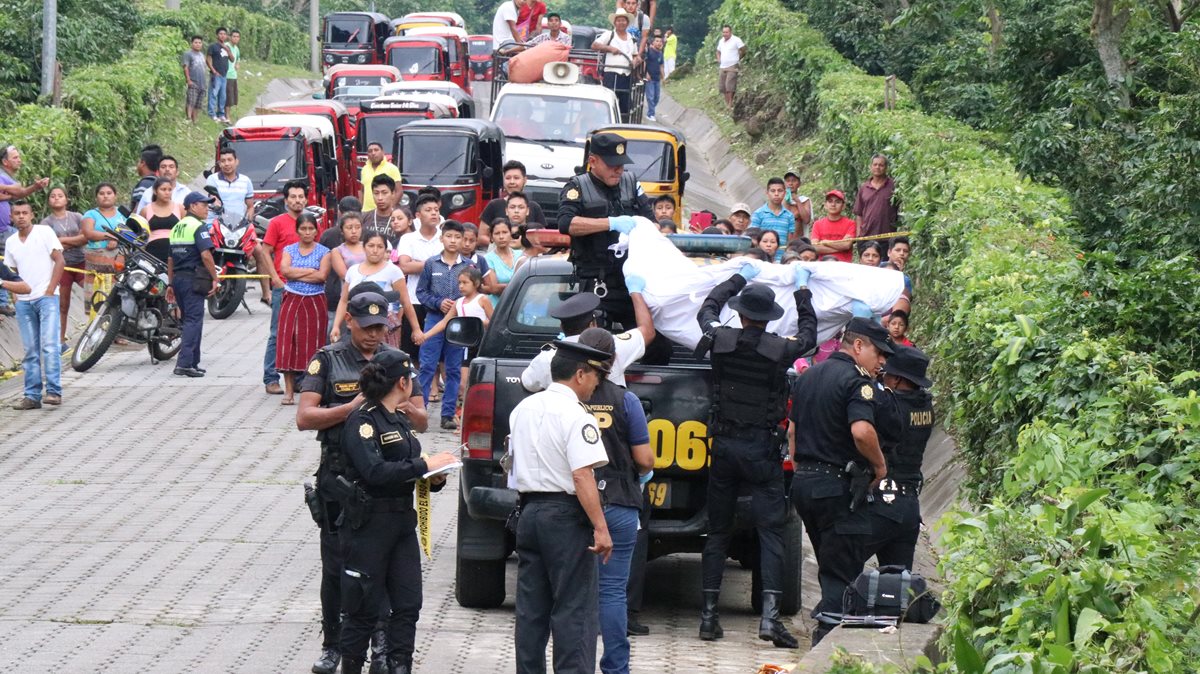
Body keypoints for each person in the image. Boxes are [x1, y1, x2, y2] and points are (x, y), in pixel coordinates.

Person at [694, 261, 817, 649]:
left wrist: (737, 279)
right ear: (766, 320)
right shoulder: (780, 350)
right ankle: (769, 619)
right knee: (771, 532)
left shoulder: (720, 339)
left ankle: (709, 617)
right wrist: (802, 291)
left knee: (716, 532)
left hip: (724, 448)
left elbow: (706, 310)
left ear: (742, 314)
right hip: (762, 450)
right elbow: (810, 336)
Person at [298, 289, 421, 674]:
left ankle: (383, 646)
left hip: (383, 484)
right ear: (348, 320)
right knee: (338, 569)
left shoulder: (394, 363)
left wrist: (397, 406)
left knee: (385, 571)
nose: (372, 334)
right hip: (340, 479)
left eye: (379, 327)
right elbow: (304, 417)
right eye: (366, 326)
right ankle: (334, 644)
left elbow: (421, 418)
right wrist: (352, 410)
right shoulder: (328, 359)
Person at [335, 349, 458, 674]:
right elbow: (374, 472)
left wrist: (433, 477)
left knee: (407, 605)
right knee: (362, 607)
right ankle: (351, 666)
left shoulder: (399, 420)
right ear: (402, 382)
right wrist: (423, 465)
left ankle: (400, 665)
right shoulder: (362, 421)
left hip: (402, 525)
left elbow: (407, 469)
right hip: (369, 525)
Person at [509, 339, 613, 674]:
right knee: (574, 611)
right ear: (580, 375)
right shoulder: (576, 415)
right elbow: (582, 475)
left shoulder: (522, 409)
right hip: (566, 517)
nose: (597, 383)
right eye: (596, 375)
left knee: (530, 610)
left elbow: (509, 462)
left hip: (529, 512)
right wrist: (600, 526)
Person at [789, 316, 894, 645]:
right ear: (858, 346)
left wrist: (803, 465)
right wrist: (880, 467)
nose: (882, 362)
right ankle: (828, 645)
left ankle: (828, 634)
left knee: (829, 562)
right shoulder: (857, 381)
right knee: (843, 570)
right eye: (879, 353)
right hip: (838, 487)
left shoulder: (809, 376)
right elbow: (862, 431)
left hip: (805, 484)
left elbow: (792, 431)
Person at [559, 327, 653, 672]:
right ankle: (616, 667)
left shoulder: (568, 398)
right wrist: (643, 473)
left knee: (573, 593)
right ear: (613, 360)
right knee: (613, 591)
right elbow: (644, 459)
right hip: (619, 501)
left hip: (574, 503)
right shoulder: (626, 400)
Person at [557, 132, 652, 329]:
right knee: (596, 343)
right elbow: (567, 224)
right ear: (593, 161)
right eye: (612, 165)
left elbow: (653, 223)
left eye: (622, 164)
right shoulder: (577, 187)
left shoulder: (631, 183)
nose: (618, 170)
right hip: (597, 282)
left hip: (631, 281)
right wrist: (610, 223)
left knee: (656, 346)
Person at [866, 346, 933, 570]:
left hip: (882, 501)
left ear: (896, 380)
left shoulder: (890, 407)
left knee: (842, 567)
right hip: (910, 504)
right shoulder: (925, 406)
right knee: (898, 582)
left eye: (887, 375)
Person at [520, 287, 655, 392]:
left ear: (562, 326)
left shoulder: (546, 358)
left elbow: (528, 384)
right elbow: (647, 331)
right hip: (608, 423)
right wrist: (636, 292)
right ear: (592, 324)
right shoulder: (614, 346)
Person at [4, 199, 65, 409]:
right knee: (30, 350)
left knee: (49, 346)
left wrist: (50, 290)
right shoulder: (11, 242)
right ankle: (32, 395)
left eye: (24, 213)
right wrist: (16, 298)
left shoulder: (44, 232)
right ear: (11, 217)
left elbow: (60, 260)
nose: (21, 216)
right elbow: (12, 274)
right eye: (17, 213)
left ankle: (54, 391)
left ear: (32, 215)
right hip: (24, 302)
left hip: (46, 298)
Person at [416, 220, 471, 430]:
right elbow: (421, 292)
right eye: (449, 236)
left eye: (458, 237)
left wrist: (459, 303)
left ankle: (448, 414)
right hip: (434, 319)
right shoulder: (431, 264)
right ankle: (420, 411)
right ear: (442, 238)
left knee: (454, 369)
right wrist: (438, 303)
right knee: (427, 365)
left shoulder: (468, 266)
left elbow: (475, 292)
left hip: (459, 323)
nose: (453, 241)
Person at [332, 231, 422, 348]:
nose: (375, 250)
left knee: (385, 361)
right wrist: (336, 326)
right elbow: (344, 301)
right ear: (364, 247)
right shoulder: (353, 271)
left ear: (385, 249)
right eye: (371, 246)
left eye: (380, 247)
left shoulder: (393, 271)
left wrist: (416, 329)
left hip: (383, 324)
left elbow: (405, 302)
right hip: (358, 323)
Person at [277, 212, 332, 404]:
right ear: (297, 231)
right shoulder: (289, 249)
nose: (307, 232)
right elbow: (284, 270)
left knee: (313, 346)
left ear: (317, 231)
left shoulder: (324, 251)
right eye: (303, 229)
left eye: (311, 229)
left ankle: (312, 391)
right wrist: (310, 271)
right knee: (287, 343)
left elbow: (322, 276)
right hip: (291, 298)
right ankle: (289, 391)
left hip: (315, 301)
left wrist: (296, 273)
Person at [262, 180, 309, 395]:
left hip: (307, 287)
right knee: (277, 333)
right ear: (286, 199)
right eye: (293, 197)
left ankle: (299, 378)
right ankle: (271, 378)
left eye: (301, 196)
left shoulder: (310, 222)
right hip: (284, 286)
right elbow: (265, 251)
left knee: (300, 335)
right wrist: (275, 279)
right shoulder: (277, 223)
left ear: (306, 199)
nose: (297, 200)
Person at [167, 192, 221, 378]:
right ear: (191, 206)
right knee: (193, 321)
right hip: (193, 279)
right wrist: (215, 277)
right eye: (203, 204)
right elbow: (206, 255)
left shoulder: (177, 227)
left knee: (189, 321)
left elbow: (170, 258)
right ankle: (183, 364)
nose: (207, 208)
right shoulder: (198, 226)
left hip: (179, 279)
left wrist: (170, 283)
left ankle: (193, 363)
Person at [420, 266, 493, 404]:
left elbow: (494, 321)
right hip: (465, 345)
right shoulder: (458, 303)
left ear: (476, 283)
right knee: (462, 384)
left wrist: (480, 322)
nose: (461, 286)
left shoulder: (483, 299)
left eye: (465, 283)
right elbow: (444, 322)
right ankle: (462, 410)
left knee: (480, 380)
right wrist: (426, 335)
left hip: (481, 343)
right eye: (459, 282)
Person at [0, 145, 51, 315]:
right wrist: (12, 191)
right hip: (2, 231)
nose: (19, 160)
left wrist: (33, 188)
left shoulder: (6, 177)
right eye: (15, 157)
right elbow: (16, 190)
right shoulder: (1, 175)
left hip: (5, 229)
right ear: (5, 161)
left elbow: (19, 191)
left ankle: (25, 297)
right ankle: (8, 301)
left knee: (16, 259)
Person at [396, 195, 443, 356]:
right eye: (428, 210)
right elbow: (404, 266)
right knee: (413, 351)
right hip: (414, 300)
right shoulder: (408, 238)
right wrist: (435, 263)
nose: (434, 214)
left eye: (436, 210)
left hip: (439, 301)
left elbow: (448, 267)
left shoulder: (445, 237)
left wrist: (419, 263)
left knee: (436, 352)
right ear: (417, 215)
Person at [40, 187, 86, 345]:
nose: (56, 198)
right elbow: (49, 246)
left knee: (94, 295)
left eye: (60, 196)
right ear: (49, 201)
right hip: (62, 267)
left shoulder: (77, 216)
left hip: (82, 262)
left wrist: (62, 241)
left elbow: (85, 238)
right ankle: (60, 340)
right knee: (63, 305)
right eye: (52, 196)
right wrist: (74, 240)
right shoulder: (46, 223)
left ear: (66, 199)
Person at [80, 183, 126, 303]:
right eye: (101, 194)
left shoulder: (124, 215)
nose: (105, 196)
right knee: (93, 303)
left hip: (117, 267)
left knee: (114, 303)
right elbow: (89, 233)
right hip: (95, 267)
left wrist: (116, 240)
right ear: (96, 198)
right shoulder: (90, 214)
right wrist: (112, 237)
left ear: (115, 196)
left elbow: (131, 235)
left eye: (109, 193)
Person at [594, 9, 641, 119]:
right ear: (615, 23)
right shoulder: (609, 35)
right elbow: (594, 45)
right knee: (610, 101)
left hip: (626, 75)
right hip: (611, 74)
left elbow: (635, 55)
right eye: (618, 20)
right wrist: (609, 48)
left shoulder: (631, 38)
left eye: (623, 20)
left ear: (627, 22)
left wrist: (636, 60)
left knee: (625, 104)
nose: (621, 23)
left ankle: (623, 125)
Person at [480, 161, 549, 226]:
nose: (512, 182)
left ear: (524, 180)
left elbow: (542, 235)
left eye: (516, 178)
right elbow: (482, 235)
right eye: (508, 178)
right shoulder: (494, 205)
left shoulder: (534, 207)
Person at [328, 212, 366, 331]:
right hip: (350, 298)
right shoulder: (338, 251)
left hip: (373, 294)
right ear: (342, 230)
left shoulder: (369, 246)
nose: (354, 231)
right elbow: (345, 275)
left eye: (357, 227)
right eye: (349, 228)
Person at [853, 154, 899, 244]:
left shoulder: (893, 186)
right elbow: (859, 213)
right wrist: (859, 234)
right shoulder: (864, 187)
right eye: (875, 164)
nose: (878, 167)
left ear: (886, 168)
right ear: (871, 167)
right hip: (866, 237)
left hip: (887, 237)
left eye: (881, 165)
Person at [141, 177, 184, 262]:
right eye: (163, 189)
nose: (167, 193)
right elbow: (139, 233)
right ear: (155, 191)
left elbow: (187, 229)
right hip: (152, 252)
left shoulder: (180, 208)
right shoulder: (146, 210)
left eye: (170, 190)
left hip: (176, 251)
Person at [482, 219, 521, 306]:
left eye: (505, 232)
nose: (501, 237)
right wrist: (520, 286)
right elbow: (494, 288)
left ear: (511, 234)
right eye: (497, 233)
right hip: (497, 308)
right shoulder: (488, 259)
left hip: (519, 307)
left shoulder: (521, 255)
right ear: (491, 237)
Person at [751, 178, 795, 254]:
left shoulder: (789, 216)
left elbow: (789, 242)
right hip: (763, 258)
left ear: (784, 193)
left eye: (780, 191)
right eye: (773, 191)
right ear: (767, 193)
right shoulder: (758, 214)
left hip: (782, 259)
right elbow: (753, 238)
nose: (776, 194)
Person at [810, 190, 855, 263]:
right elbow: (815, 247)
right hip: (823, 265)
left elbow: (846, 245)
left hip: (844, 265)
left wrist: (825, 242)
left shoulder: (850, 223)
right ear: (825, 205)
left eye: (837, 202)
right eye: (830, 201)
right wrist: (840, 247)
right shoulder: (817, 224)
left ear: (843, 206)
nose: (833, 204)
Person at [360, 143, 402, 214]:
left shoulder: (392, 168)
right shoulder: (364, 169)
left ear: (383, 152)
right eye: (370, 151)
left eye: (376, 150)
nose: (373, 153)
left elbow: (399, 191)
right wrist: (360, 209)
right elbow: (362, 191)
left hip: (385, 212)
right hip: (366, 212)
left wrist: (391, 208)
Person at [715, 25, 745, 109]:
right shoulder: (721, 41)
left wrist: (739, 57)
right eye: (723, 32)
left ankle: (730, 104)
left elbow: (743, 49)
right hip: (723, 66)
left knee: (730, 86)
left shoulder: (736, 40)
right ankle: (727, 103)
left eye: (726, 32)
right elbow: (718, 51)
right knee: (722, 87)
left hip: (733, 65)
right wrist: (718, 59)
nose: (725, 34)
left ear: (730, 32)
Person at [207, 27, 232, 123]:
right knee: (213, 94)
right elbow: (208, 59)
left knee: (223, 96)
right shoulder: (213, 46)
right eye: (221, 34)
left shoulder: (227, 47)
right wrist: (213, 70)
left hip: (224, 75)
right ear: (217, 35)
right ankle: (211, 113)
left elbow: (232, 59)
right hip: (216, 74)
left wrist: (227, 50)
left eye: (224, 34)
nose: (223, 35)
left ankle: (221, 114)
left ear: (226, 36)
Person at [130, 144, 163, 213]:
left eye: (138, 161)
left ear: (143, 163)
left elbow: (138, 209)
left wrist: (129, 222)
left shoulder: (145, 184)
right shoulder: (159, 182)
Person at [182, 35, 206, 124]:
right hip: (193, 82)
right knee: (191, 101)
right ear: (192, 43)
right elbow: (185, 67)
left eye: (200, 43)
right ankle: (188, 118)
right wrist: (188, 80)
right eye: (196, 42)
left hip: (202, 83)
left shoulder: (202, 55)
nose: (198, 44)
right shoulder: (188, 54)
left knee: (198, 104)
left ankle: (194, 120)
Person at [783, 169, 812, 236]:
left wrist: (797, 201)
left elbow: (806, 220)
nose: (790, 183)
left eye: (794, 180)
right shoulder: (779, 200)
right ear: (784, 184)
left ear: (799, 184)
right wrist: (786, 200)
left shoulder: (804, 200)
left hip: (798, 241)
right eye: (788, 181)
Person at [644, 35, 665, 121]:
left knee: (656, 97)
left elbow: (661, 66)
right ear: (653, 42)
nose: (659, 43)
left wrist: (663, 77)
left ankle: (651, 111)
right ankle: (650, 114)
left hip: (657, 78)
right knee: (651, 97)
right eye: (657, 41)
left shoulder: (660, 53)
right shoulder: (649, 51)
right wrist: (646, 73)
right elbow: (644, 62)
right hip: (650, 78)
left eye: (660, 41)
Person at [225, 30, 240, 120]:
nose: (235, 38)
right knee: (228, 97)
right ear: (230, 37)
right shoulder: (226, 46)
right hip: (226, 75)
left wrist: (237, 64)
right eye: (234, 36)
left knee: (232, 97)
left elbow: (238, 59)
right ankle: (227, 116)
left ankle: (227, 115)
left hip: (233, 75)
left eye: (237, 37)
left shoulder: (236, 48)